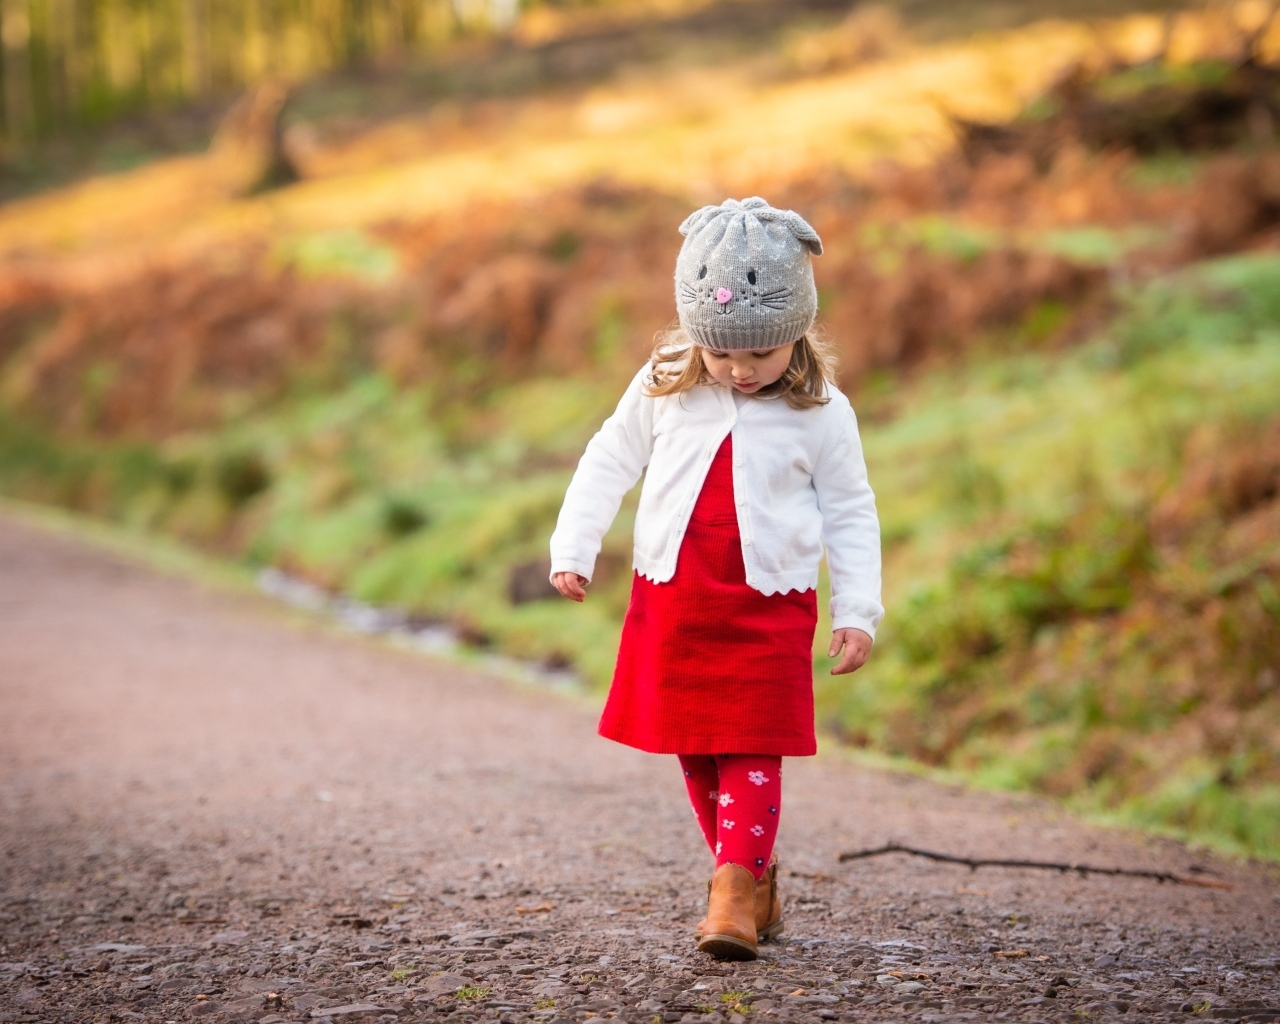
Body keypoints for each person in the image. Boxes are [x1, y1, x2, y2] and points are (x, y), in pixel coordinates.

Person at [548, 196, 883, 961]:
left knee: (752, 738)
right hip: (677, 591)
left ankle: (732, 887)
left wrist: (857, 608)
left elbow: (851, 511)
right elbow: (610, 459)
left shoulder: (822, 411)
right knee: (696, 743)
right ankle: (752, 878)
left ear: (795, 333)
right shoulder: (667, 379)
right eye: (721, 353)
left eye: (757, 356)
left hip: (770, 601)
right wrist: (575, 545)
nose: (738, 370)